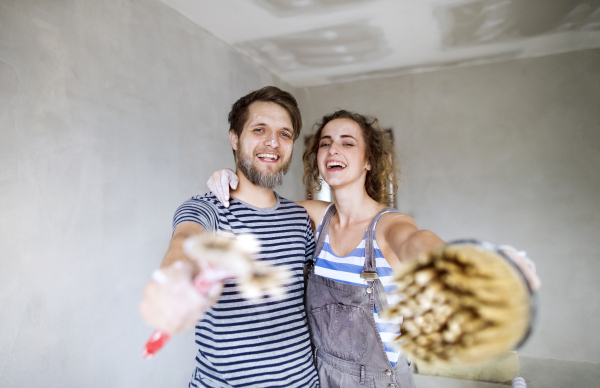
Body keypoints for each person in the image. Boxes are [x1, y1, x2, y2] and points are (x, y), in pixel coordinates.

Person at [209, 110, 447, 388]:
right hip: (319, 378)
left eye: (347, 143)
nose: (333, 149)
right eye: (325, 143)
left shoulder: (389, 225)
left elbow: (415, 242)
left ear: (368, 160)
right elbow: (261, 204)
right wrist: (232, 177)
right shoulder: (313, 217)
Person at [139, 86, 319, 388]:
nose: (272, 142)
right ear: (235, 138)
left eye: (284, 134)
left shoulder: (300, 218)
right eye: (259, 129)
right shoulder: (206, 209)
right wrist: (176, 275)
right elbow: (186, 240)